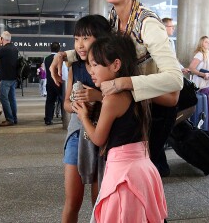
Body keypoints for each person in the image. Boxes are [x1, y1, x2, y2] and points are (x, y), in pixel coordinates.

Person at [50, 0, 183, 177]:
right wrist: (65, 56)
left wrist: (123, 83)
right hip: (129, 110)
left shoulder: (148, 24)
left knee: (143, 181)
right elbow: (97, 48)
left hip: (154, 112)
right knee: (121, 179)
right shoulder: (113, 18)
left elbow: (175, 80)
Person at [73, 34, 167, 222]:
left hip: (123, 173)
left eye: (96, 64)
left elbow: (99, 139)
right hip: (143, 167)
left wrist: (83, 117)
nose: (91, 71)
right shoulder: (138, 91)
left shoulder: (113, 99)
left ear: (116, 65)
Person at [62, 14, 112, 223]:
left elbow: (125, 99)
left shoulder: (110, 66)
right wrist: (76, 106)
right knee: (72, 201)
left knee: (98, 201)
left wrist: (97, 96)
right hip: (77, 134)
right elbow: (65, 104)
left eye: (86, 38)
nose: (80, 45)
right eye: (76, 39)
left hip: (105, 135)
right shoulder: (75, 66)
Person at [0, 31, 18, 127]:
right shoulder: (14, 48)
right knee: (12, 98)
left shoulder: (4, 49)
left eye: (0, 39)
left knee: (3, 98)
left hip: (6, 78)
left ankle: (9, 119)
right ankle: (14, 118)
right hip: (13, 78)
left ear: (2, 39)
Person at [44, 42, 65, 125]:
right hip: (59, 83)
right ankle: (64, 118)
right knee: (62, 100)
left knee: (50, 101)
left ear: (50, 48)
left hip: (49, 83)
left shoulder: (46, 59)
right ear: (59, 49)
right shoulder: (61, 58)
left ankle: (48, 119)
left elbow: (46, 71)